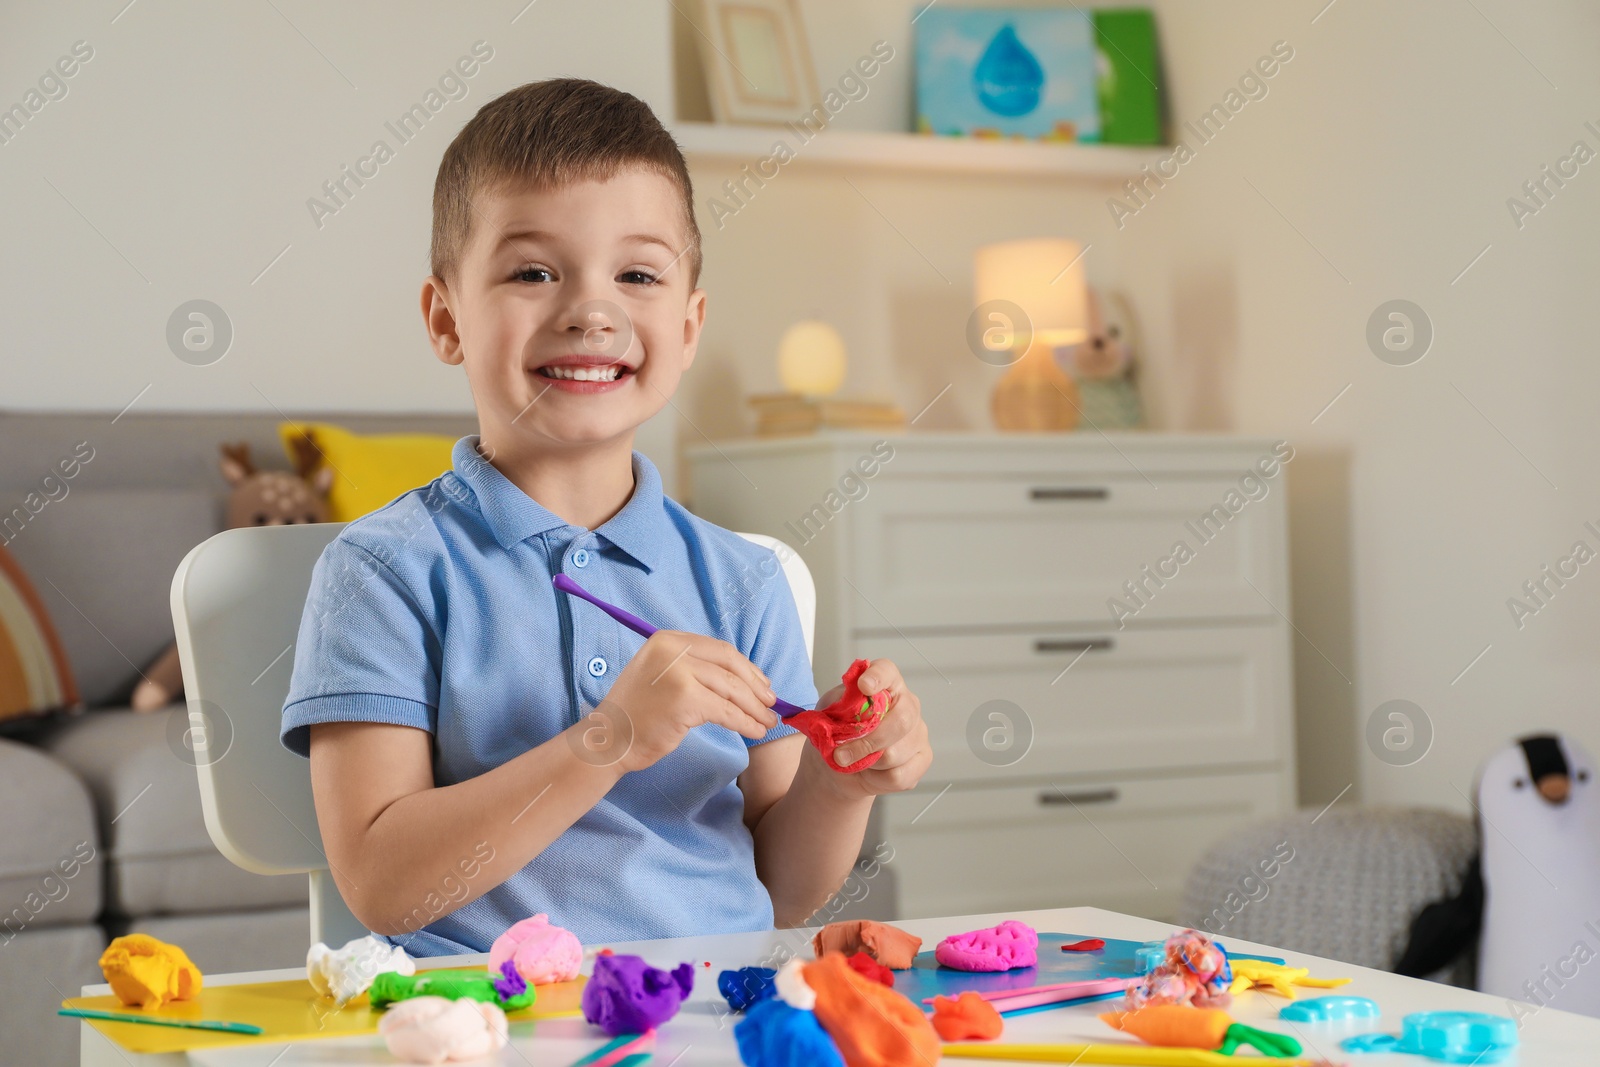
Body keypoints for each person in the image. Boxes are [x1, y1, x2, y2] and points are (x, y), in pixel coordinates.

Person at [279, 78, 932, 954]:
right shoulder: (384, 571)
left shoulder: (744, 581)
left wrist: (842, 781)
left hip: (712, 1006)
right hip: (490, 1024)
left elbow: (778, 892)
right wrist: (609, 738)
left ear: (690, 324)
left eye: (637, 273)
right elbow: (386, 887)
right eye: (533, 272)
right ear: (446, 320)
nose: (592, 310)